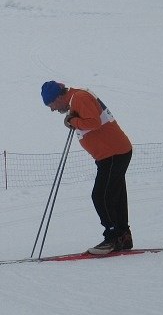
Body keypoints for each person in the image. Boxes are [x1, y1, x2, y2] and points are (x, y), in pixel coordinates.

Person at [41, 80, 133, 254]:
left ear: (58, 97)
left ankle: (113, 238)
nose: (52, 109)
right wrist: (73, 120)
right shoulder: (76, 99)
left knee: (101, 196)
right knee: (115, 195)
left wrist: (73, 121)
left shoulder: (79, 98)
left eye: (51, 104)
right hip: (113, 152)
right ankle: (123, 236)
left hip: (113, 153)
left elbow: (93, 122)